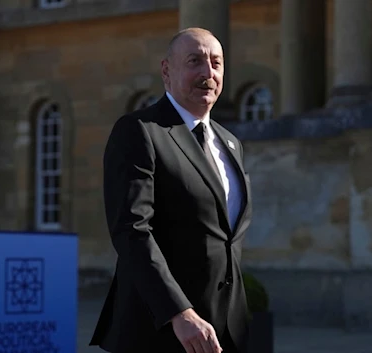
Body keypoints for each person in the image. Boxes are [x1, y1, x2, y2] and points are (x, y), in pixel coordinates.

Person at [90, 27, 252, 353]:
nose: (208, 73)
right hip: (160, 331)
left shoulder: (231, 143)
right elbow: (132, 231)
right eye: (195, 61)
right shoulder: (140, 131)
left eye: (216, 63)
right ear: (167, 70)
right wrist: (178, 312)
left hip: (225, 332)